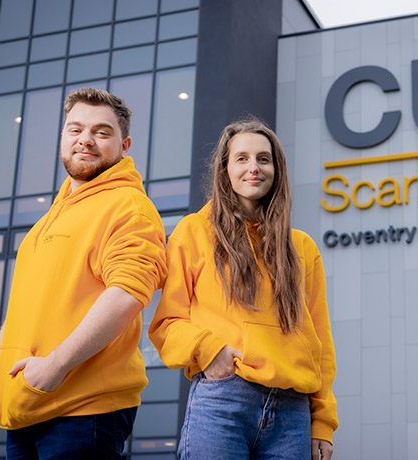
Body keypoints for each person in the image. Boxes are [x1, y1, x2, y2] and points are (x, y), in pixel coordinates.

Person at [0, 88, 168, 459]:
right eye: (75, 129)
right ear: (63, 138)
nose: (85, 139)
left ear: (124, 144)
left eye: (101, 132)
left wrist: (54, 368)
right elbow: (28, 302)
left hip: (84, 409)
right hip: (26, 405)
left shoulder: (129, 207)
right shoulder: (49, 219)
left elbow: (128, 293)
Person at [149, 118, 337, 460]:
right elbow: (167, 323)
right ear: (225, 169)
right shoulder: (192, 232)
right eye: (242, 158)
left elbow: (320, 344)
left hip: (293, 414)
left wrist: (322, 421)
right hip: (223, 402)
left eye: (264, 159)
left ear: (276, 170)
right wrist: (209, 350)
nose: (254, 167)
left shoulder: (302, 248)